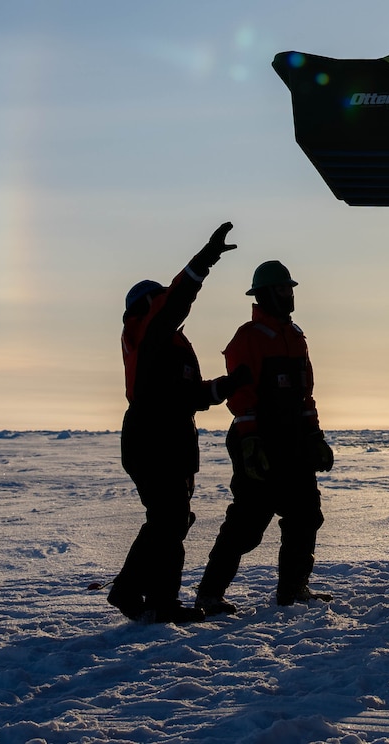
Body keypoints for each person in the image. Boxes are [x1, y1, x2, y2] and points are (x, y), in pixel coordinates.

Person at [109, 221, 237, 624]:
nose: (165, 302)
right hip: (152, 439)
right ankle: (159, 600)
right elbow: (177, 300)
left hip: (173, 439)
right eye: (158, 299)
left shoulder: (171, 344)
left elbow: (188, 396)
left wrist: (225, 387)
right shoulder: (147, 334)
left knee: (169, 520)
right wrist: (205, 259)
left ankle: (132, 591)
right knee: (168, 520)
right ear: (146, 307)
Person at [197, 260, 333, 612]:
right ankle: (210, 594)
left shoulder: (296, 336)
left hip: (295, 440)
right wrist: (250, 440)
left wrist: (315, 435)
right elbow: (241, 394)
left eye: (291, 289)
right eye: (284, 289)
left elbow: (305, 394)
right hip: (259, 440)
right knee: (247, 524)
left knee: (305, 516)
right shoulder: (248, 338)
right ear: (266, 294)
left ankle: (293, 590)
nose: (290, 295)